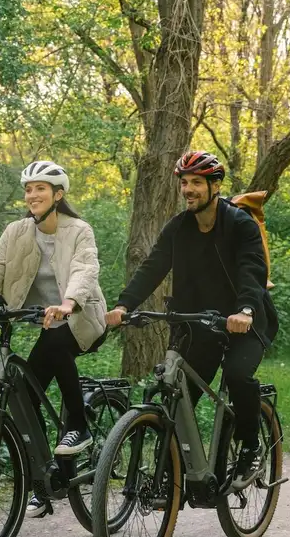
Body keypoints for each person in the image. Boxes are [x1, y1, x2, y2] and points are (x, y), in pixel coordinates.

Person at [0, 160, 107, 517]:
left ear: (58, 195)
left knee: (54, 342)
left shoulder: (79, 230)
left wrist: (68, 303)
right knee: (26, 395)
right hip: (44, 320)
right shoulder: (16, 232)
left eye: (40, 189)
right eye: (28, 189)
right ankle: (47, 478)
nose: (31, 195)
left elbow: (85, 268)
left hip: (80, 318)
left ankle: (79, 426)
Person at [105, 151, 278, 483]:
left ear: (215, 186)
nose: (188, 189)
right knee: (178, 393)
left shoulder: (239, 224)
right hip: (198, 324)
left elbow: (251, 272)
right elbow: (153, 266)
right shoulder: (179, 227)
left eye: (197, 182)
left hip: (244, 322)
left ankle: (251, 447)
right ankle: (174, 470)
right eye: (184, 183)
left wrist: (244, 311)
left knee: (238, 375)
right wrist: (124, 305)